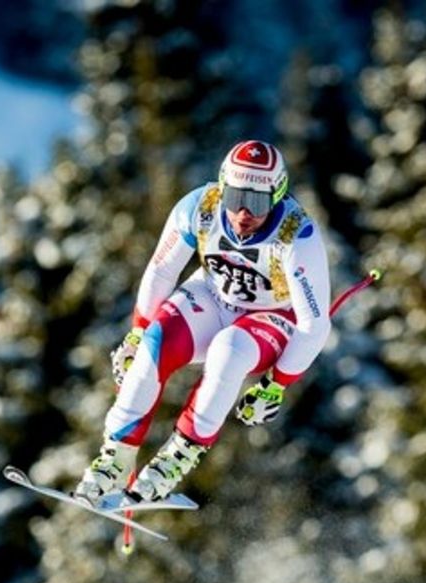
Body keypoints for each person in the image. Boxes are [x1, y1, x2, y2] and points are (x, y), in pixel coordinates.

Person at [73, 140, 331, 504]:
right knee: (155, 342)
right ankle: (114, 459)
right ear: (221, 188)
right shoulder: (200, 207)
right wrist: (137, 333)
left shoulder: (295, 236)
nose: (243, 212)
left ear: (277, 196)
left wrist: (276, 385)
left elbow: (314, 325)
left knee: (229, 351)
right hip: (213, 295)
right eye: (235, 197)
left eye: (257, 201)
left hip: (271, 314)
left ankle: (176, 458)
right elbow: (162, 271)